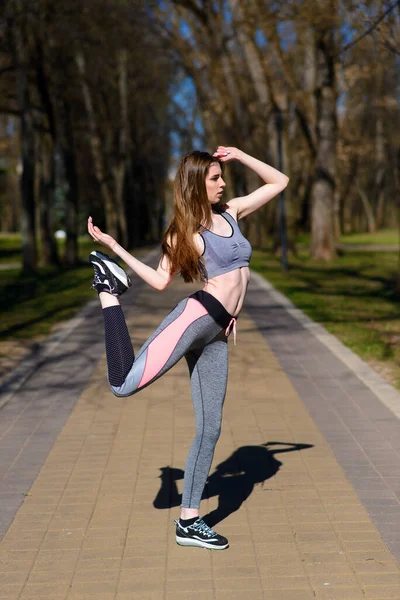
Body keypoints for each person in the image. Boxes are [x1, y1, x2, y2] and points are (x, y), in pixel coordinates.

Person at [87, 146, 289, 550]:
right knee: (123, 385)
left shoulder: (231, 212)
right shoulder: (187, 231)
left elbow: (279, 182)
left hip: (217, 332)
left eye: (221, 176)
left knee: (211, 428)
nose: (223, 183)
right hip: (195, 318)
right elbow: (162, 281)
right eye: (215, 177)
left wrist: (240, 155)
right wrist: (117, 250)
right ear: (198, 182)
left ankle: (188, 521)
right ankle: (109, 292)